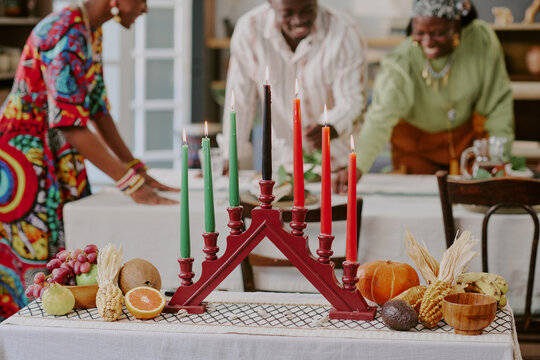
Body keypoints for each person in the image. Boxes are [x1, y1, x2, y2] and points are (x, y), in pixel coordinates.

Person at [0, 0, 178, 321]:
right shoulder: (66, 32)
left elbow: (96, 108)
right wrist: (132, 185)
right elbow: (69, 123)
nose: (145, 8)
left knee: (62, 269)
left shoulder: (88, 32)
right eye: (141, 0)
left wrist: (137, 172)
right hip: (27, 164)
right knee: (32, 272)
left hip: (55, 155)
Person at [332, 0, 514, 194]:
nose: (427, 42)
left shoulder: (481, 39)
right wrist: (356, 167)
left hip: (467, 147)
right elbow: (380, 118)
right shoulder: (401, 62)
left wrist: (498, 155)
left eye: (438, 33)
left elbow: (498, 103)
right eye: (419, 32)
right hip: (415, 150)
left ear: (456, 25)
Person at [220, 0, 367, 172]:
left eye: (307, 10)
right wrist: (230, 156)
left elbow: (352, 100)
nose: (298, 20)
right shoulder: (249, 30)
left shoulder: (344, 32)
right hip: (282, 167)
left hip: (337, 168)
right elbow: (240, 100)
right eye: (287, 13)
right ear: (271, 4)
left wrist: (332, 126)